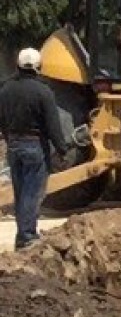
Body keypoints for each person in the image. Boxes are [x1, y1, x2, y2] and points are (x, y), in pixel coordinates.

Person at [0, 48, 70, 250]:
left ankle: (22, 234)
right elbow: (52, 125)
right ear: (39, 67)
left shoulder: (5, 90)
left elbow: (2, 121)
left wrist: (9, 138)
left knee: (20, 191)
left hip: (14, 145)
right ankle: (27, 235)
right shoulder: (43, 91)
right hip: (34, 146)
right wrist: (62, 149)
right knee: (32, 192)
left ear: (18, 65)